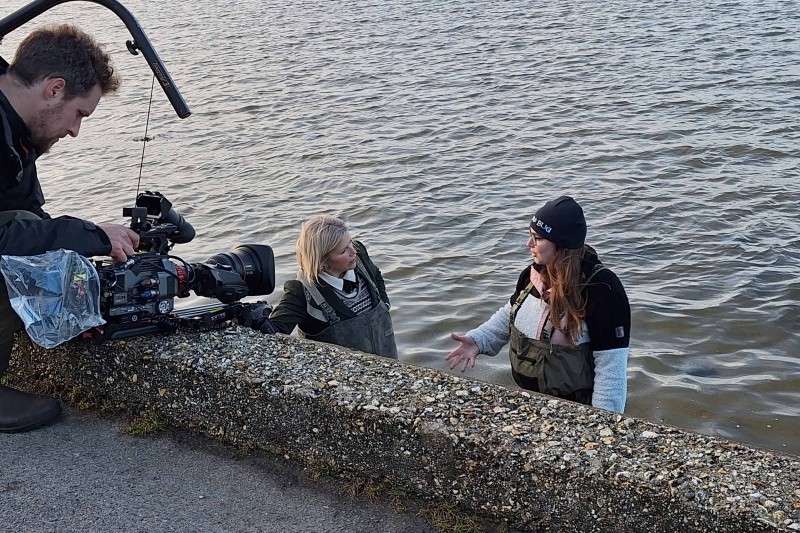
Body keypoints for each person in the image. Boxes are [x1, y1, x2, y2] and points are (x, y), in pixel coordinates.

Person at [0, 24, 140, 432]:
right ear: (54, 89)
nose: (75, 130)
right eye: (79, 113)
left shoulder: (14, 134)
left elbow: (29, 214)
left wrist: (87, 247)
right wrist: (90, 235)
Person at [445, 196, 630, 413]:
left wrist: (603, 422)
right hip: (528, 404)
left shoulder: (604, 289)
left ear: (561, 245)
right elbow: (510, 313)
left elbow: (611, 368)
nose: (529, 244)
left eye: (538, 238)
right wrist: (479, 340)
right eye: (530, 235)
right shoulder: (532, 275)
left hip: (576, 411)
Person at [269, 214, 398, 359]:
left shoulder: (359, 255)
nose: (353, 251)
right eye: (343, 251)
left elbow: (376, 275)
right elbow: (272, 333)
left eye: (351, 242)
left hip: (390, 361)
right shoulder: (301, 292)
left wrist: (384, 303)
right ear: (322, 261)